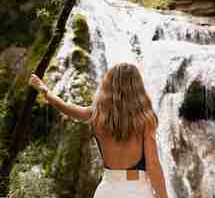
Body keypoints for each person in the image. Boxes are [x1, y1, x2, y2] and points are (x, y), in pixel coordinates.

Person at [29, 63, 168, 198]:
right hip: (137, 191)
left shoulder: (95, 115)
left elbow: (64, 106)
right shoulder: (145, 119)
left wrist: (43, 89)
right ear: (137, 87)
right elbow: (153, 164)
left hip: (107, 190)